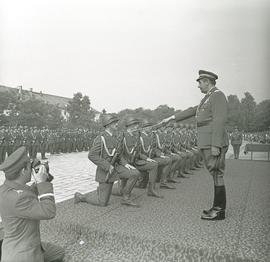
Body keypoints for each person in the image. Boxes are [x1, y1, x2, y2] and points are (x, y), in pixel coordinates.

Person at [162, 70, 229, 220]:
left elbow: (219, 121)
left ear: (207, 81)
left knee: (217, 173)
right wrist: (171, 118)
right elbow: (193, 111)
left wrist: (216, 145)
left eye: (200, 82)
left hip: (212, 142)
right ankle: (216, 207)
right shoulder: (208, 98)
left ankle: (219, 211)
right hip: (207, 142)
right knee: (215, 173)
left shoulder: (217, 96)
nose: (198, 86)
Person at [0, 146, 65, 262]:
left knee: (58, 252)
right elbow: (49, 212)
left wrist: (43, 179)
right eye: (30, 167)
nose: (31, 169)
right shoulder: (19, 198)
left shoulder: (5, 189)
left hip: (11, 246)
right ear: (23, 171)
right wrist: (42, 183)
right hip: (23, 254)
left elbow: (26, 194)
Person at [74, 114, 141, 207]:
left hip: (116, 168)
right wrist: (107, 166)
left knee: (135, 173)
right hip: (106, 172)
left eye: (116, 122)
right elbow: (92, 155)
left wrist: (125, 164)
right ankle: (81, 197)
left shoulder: (115, 137)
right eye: (114, 123)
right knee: (102, 202)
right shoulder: (101, 138)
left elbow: (119, 154)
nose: (117, 124)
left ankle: (126, 198)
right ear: (108, 124)